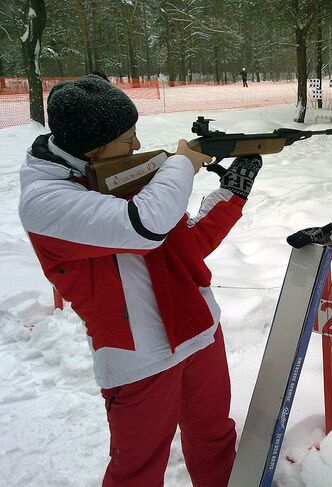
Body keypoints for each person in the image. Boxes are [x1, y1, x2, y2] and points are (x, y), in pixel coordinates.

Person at [19, 74, 263, 486]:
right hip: (138, 360)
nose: (135, 146)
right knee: (137, 470)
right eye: (127, 137)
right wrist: (183, 162)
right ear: (93, 144)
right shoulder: (45, 202)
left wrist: (230, 195)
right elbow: (147, 225)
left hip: (199, 331)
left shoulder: (119, 175)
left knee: (214, 436)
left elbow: (185, 244)